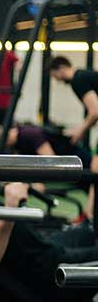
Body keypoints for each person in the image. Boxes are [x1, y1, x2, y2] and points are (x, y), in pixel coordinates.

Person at [45, 56, 98, 216]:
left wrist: (79, 131)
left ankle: (90, 216)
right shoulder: (85, 76)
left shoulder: (78, 80)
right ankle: (89, 214)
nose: (56, 80)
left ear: (60, 69)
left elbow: (95, 111)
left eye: (54, 75)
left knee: (95, 167)